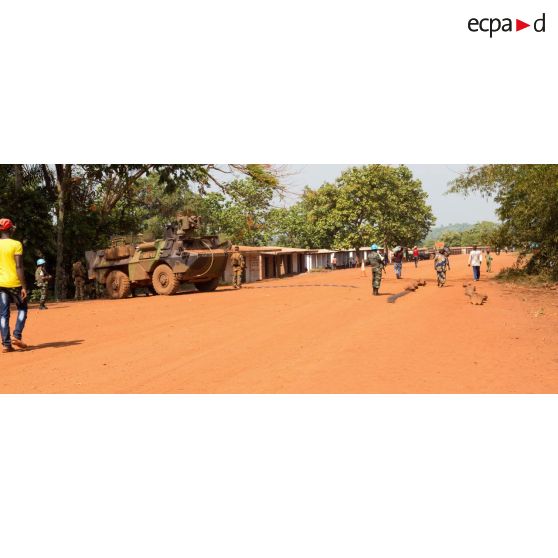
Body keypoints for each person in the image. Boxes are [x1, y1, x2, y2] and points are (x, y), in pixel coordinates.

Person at [0, 218, 28, 352]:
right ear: (11, 229)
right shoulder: (16, 244)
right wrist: (24, 286)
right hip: (14, 283)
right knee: (22, 309)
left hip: (0, 285)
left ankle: (6, 344)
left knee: (3, 314)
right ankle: (17, 335)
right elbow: (19, 266)